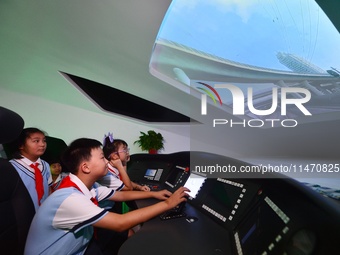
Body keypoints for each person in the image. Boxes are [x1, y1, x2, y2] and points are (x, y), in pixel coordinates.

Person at [24, 138, 189, 255]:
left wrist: (155, 193)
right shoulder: (70, 199)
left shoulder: (87, 187)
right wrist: (168, 204)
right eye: (102, 157)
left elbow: (121, 196)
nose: (107, 161)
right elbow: (120, 223)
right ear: (86, 167)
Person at [9, 127, 52, 211]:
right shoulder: (11, 167)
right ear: (21, 145)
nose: (42, 144)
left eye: (44, 140)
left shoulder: (45, 165)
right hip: (21, 214)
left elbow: (49, 189)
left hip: (43, 212)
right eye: (36, 141)